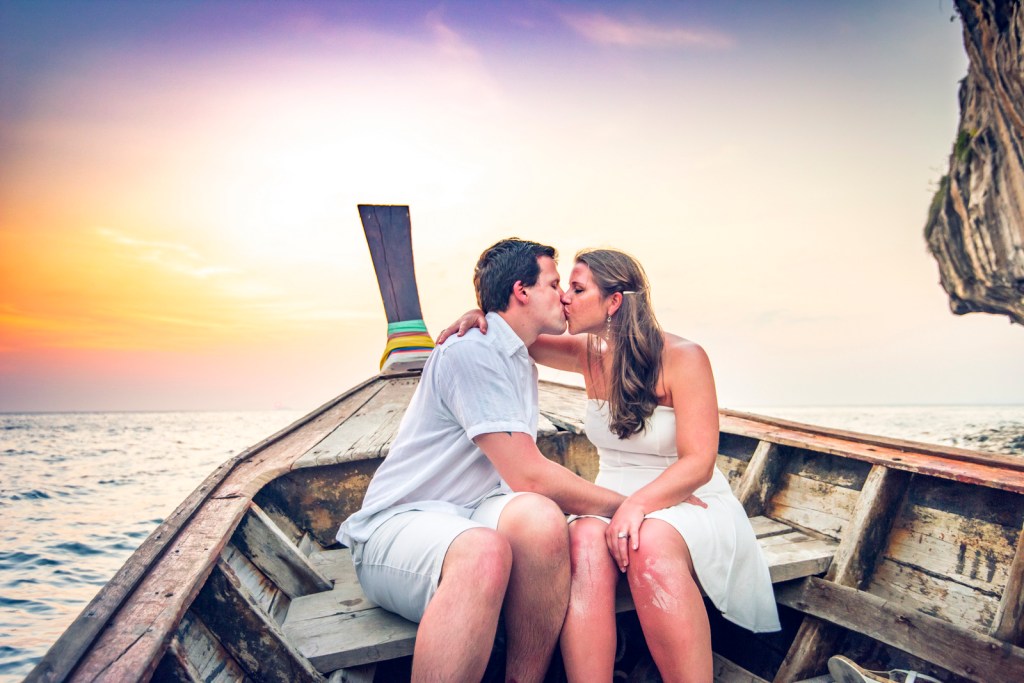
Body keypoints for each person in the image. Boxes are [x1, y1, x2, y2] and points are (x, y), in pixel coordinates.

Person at [439, 248, 780, 683]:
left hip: (682, 496)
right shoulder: (586, 352)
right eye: (564, 287)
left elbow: (699, 462)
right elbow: (514, 326)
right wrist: (478, 312)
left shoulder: (685, 357)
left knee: (647, 543)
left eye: (578, 290)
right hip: (610, 498)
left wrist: (637, 505)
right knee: (581, 538)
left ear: (614, 301)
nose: (564, 298)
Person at [337, 238, 626, 683]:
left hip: (471, 510)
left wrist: (482, 311)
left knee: (541, 519)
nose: (564, 296)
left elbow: (528, 485)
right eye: (553, 284)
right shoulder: (472, 351)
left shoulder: (515, 353)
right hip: (399, 523)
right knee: (486, 551)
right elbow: (528, 473)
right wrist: (624, 506)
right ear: (522, 291)